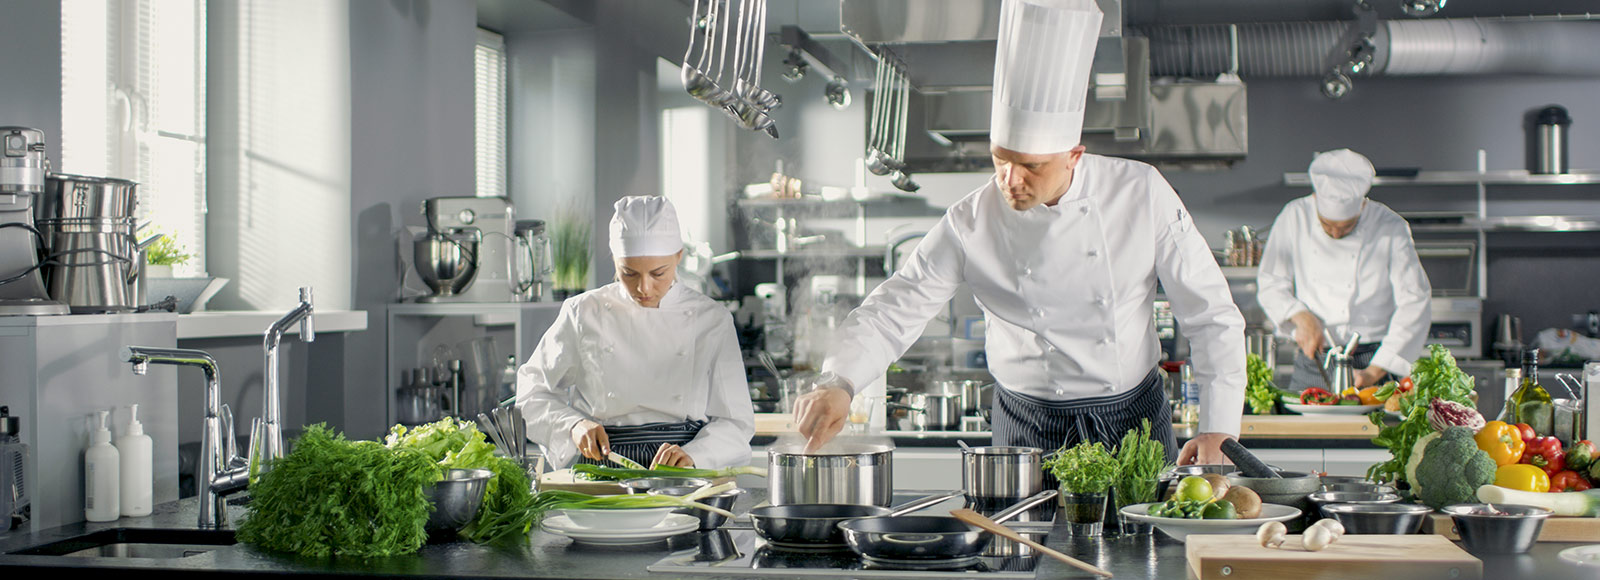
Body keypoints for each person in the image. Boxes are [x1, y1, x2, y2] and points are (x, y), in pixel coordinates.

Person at [793, 0, 1246, 465]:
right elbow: (894, 309)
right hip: (1025, 426)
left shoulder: (1141, 192)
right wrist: (839, 381)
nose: (1010, 181)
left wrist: (1219, 431)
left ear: (1074, 154)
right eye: (1000, 160)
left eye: (1031, 166)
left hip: (1131, 418)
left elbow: (1210, 314)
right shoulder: (971, 220)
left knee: (1141, 538)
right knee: (1018, 539)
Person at [517, 196, 754, 469]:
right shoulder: (583, 312)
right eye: (628, 273)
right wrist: (572, 425)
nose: (644, 288)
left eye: (658, 273)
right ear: (615, 260)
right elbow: (530, 394)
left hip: (680, 471)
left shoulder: (711, 319)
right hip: (602, 466)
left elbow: (736, 421)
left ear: (678, 256)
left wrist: (697, 455)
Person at [1257, 149, 1432, 392]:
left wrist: (1375, 370)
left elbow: (1415, 300)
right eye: (1327, 225)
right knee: (1305, 430)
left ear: (1362, 205)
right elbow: (1270, 282)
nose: (1336, 233)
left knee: (1375, 430)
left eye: (1347, 226)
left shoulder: (1391, 226)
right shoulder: (1294, 216)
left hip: (1373, 361)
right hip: (1314, 358)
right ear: (1316, 199)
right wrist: (1301, 316)